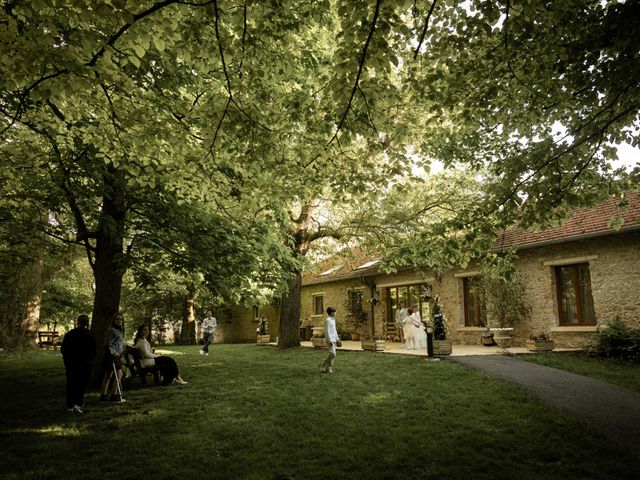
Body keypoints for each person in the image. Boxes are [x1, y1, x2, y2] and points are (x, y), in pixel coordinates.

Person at [60, 314, 96, 414]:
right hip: (85, 364)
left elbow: (63, 349)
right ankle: (78, 405)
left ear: (78, 322)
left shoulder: (70, 334)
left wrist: (67, 360)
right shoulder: (90, 334)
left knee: (71, 384)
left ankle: (70, 406)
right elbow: (94, 351)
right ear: (87, 323)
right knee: (81, 384)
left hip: (72, 364)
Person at [99, 312, 126, 403]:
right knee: (119, 374)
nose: (119, 321)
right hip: (111, 355)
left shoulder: (120, 330)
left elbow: (118, 343)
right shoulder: (111, 330)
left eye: (121, 319)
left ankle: (103, 396)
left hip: (117, 355)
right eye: (117, 319)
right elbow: (106, 344)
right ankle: (114, 395)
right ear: (114, 320)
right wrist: (114, 353)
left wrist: (121, 350)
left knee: (108, 374)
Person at [319, 306, 341, 373]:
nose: (335, 313)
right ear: (331, 313)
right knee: (333, 354)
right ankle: (322, 364)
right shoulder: (327, 320)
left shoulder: (333, 320)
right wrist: (330, 340)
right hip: (330, 339)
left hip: (334, 339)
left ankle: (328, 368)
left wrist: (337, 339)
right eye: (335, 312)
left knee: (333, 355)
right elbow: (327, 331)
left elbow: (334, 330)